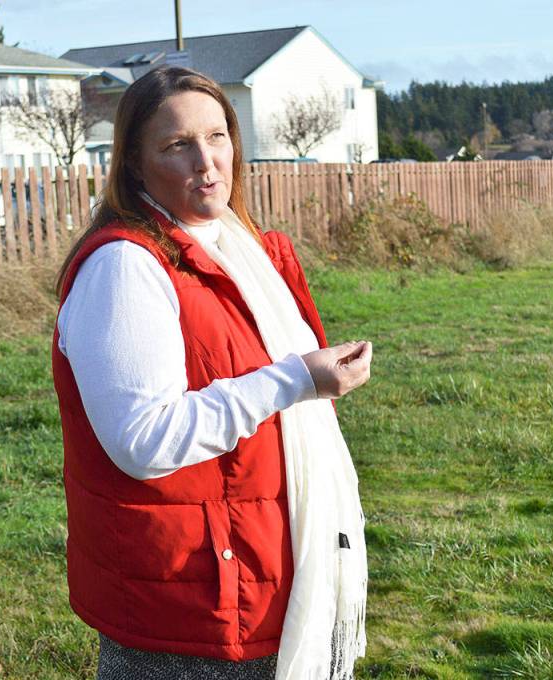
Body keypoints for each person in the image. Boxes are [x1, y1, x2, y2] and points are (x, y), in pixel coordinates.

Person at [51, 66, 373, 680]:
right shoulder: (125, 267)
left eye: (218, 135)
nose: (207, 160)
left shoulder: (237, 247)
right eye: (177, 145)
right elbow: (144, 440)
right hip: (192, 608)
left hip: (261, 577)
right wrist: (294, 380)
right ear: (136, 164)